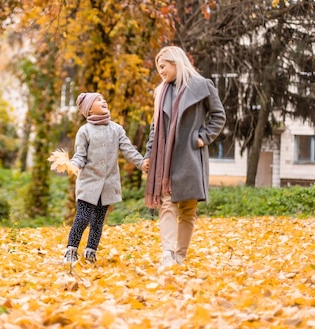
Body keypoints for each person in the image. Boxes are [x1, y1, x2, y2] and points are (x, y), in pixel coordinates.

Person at [141, 46, 226, 268]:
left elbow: (218, 115)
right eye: (158, 67)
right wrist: (149, 154)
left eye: (163, 66)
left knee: (188, 209)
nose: (160, 71)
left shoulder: (202, 85)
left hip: (189, 156)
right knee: (167, 204)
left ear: (176, 62)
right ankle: (168, 254)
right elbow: (154, 127)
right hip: (165, 159)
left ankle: (180, 256)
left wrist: (202, 138)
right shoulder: (160, 92)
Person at [62, 92, 145, 264]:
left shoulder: (116, 129)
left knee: (98, 221)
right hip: (89, 183)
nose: (103, 101)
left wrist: (141, 162)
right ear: (89, 110)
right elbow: (80, 155)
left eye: (103, 99)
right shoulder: (84, 131)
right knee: (83, 217)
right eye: (98, 100)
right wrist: (74, 164)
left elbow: (128, 149)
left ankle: (90, 252)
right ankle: (71, 250)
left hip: (108, 184)